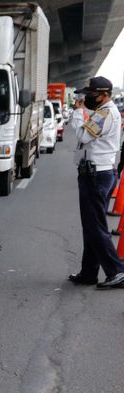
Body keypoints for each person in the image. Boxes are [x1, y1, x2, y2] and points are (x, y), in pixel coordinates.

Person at [66, 76, 124, 288]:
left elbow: (84, 135)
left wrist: (78, 114)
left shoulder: (105, 113)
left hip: (96, 175)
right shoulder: (102, 112)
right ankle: (88, 273)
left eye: (93, 94)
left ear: (105, 95)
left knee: (94, 226)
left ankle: (116, 271)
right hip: (98, 173)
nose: (89, 97)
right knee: (92, 225)